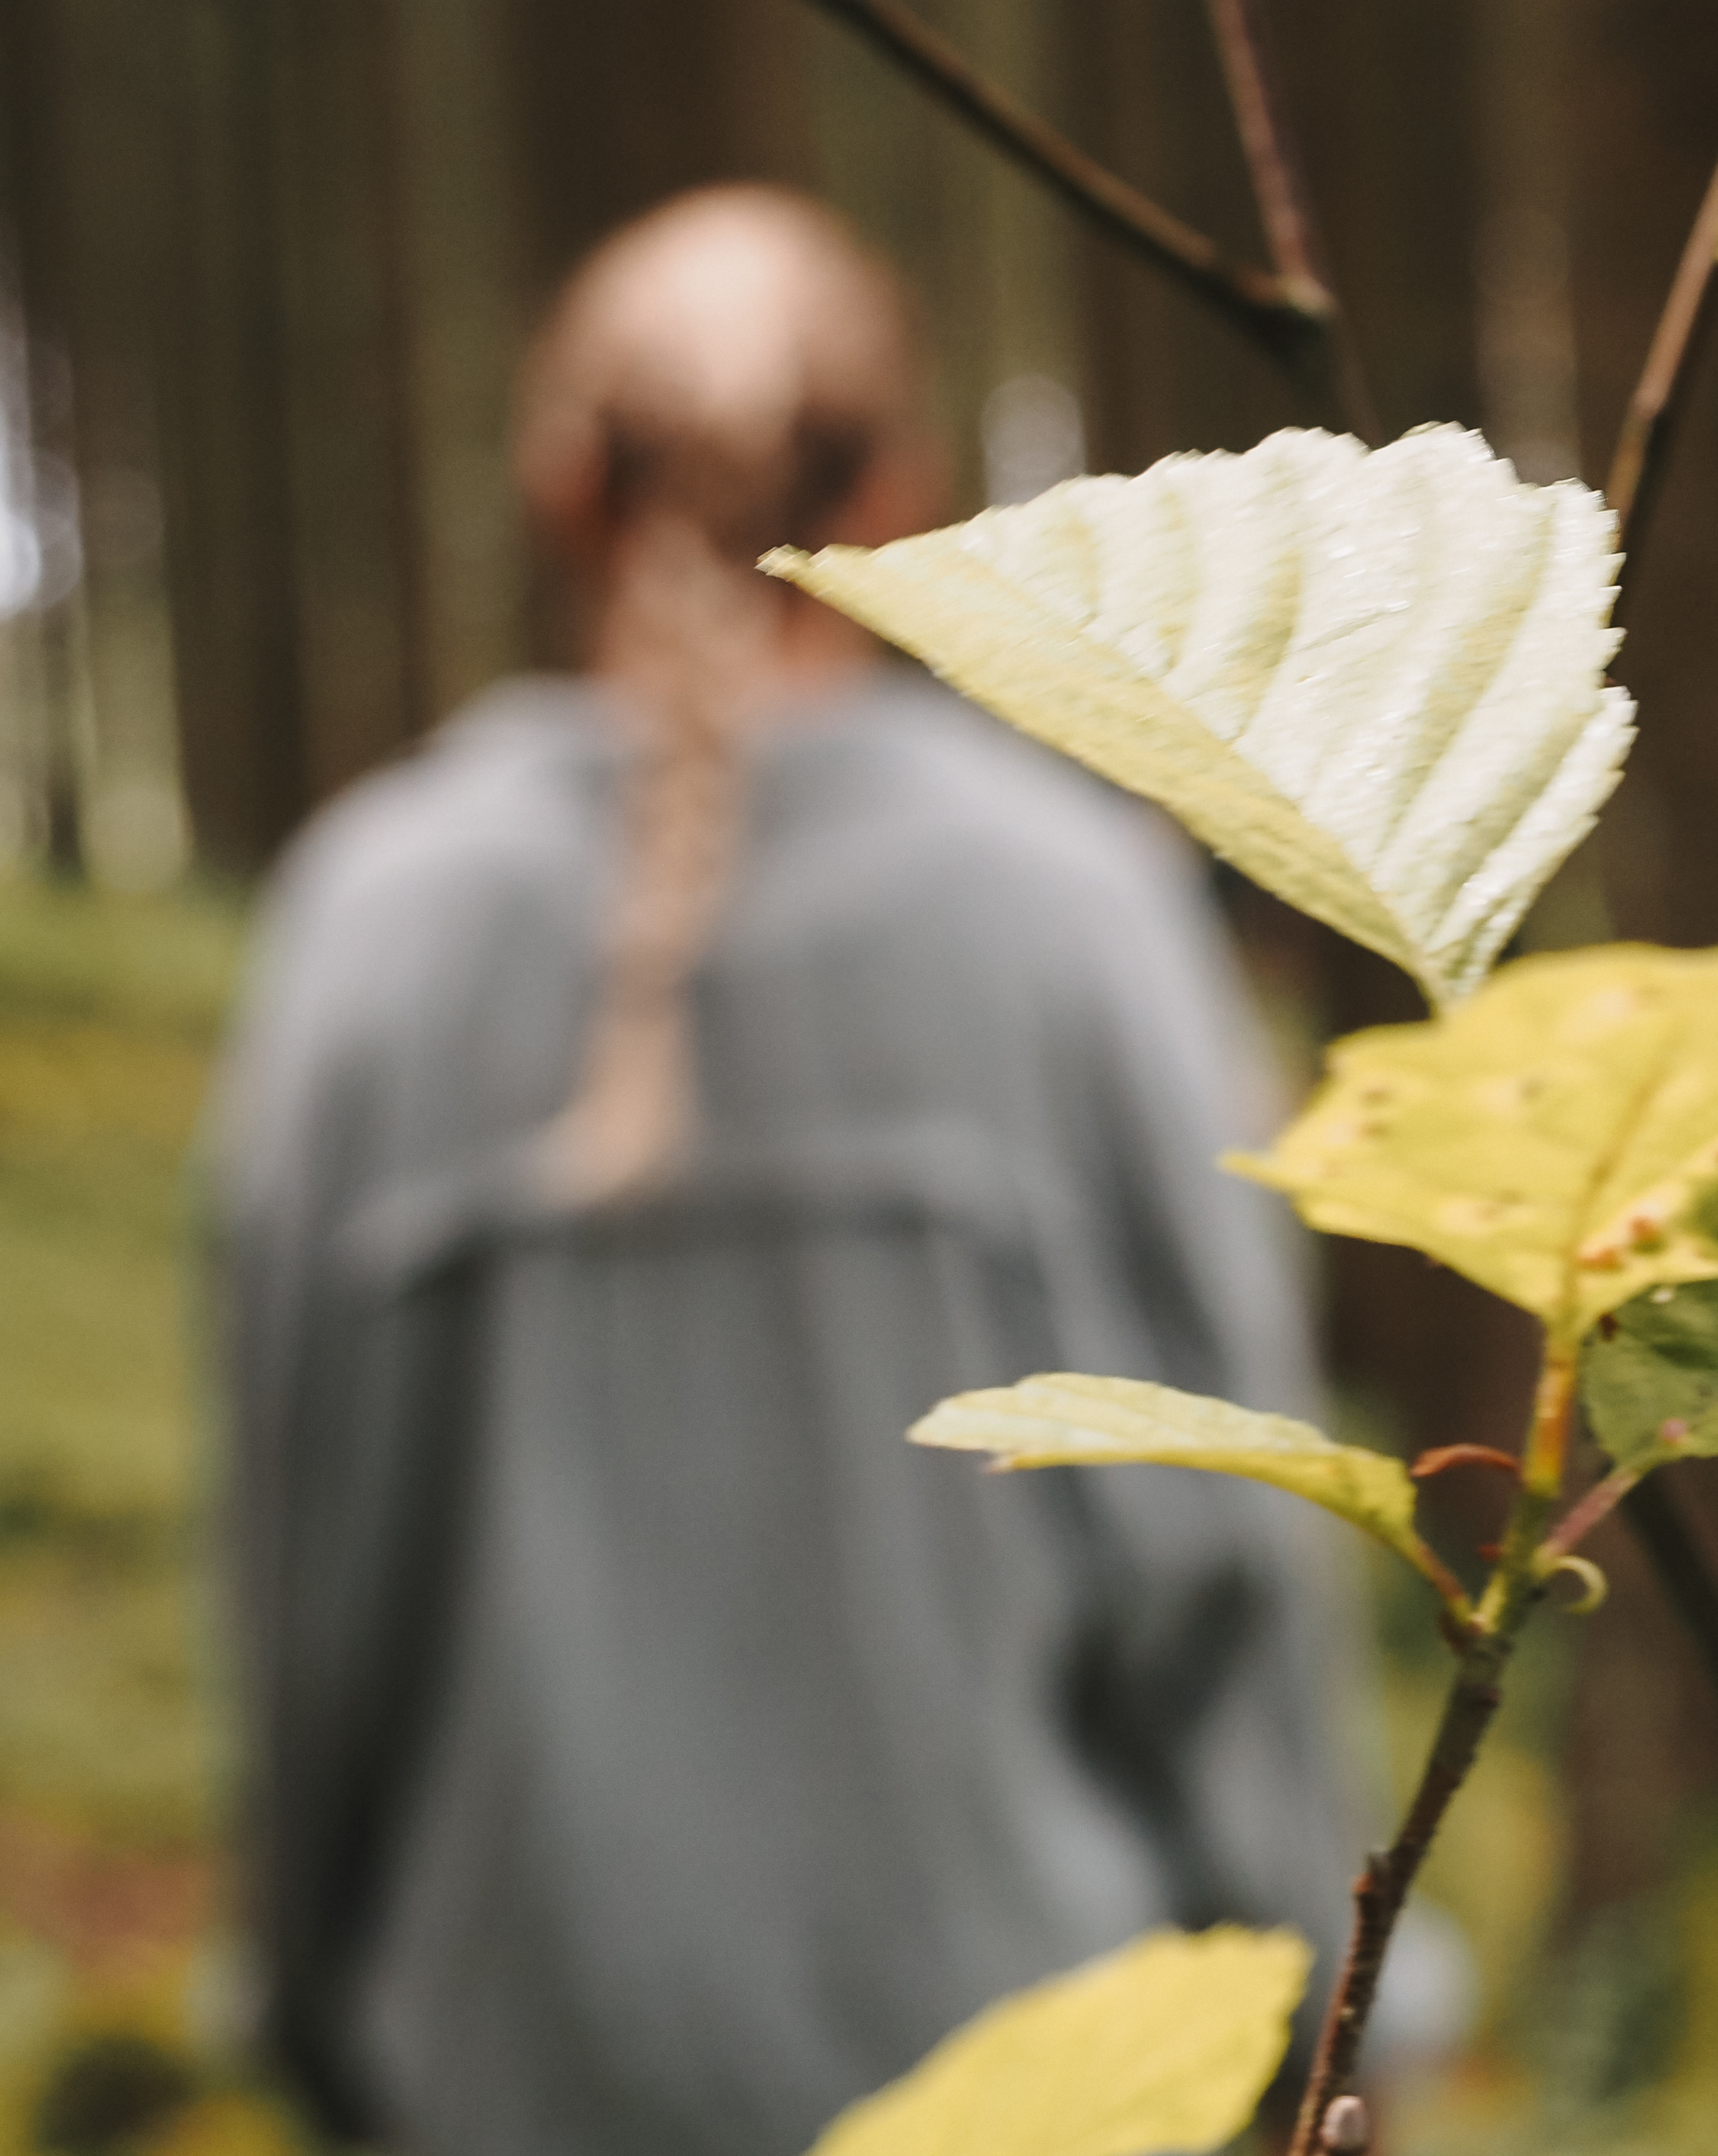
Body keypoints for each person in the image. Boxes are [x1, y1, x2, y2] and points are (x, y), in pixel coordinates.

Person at [206, 188, 1358, 2156]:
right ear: (901, 495)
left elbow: (308, 1578)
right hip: (1050, 2087)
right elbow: (1230, 1540)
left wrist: (318, 2010)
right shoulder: (1075, 915)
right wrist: (1327, 2021)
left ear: (562, 485)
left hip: (511, 2084)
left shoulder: (368, 936)